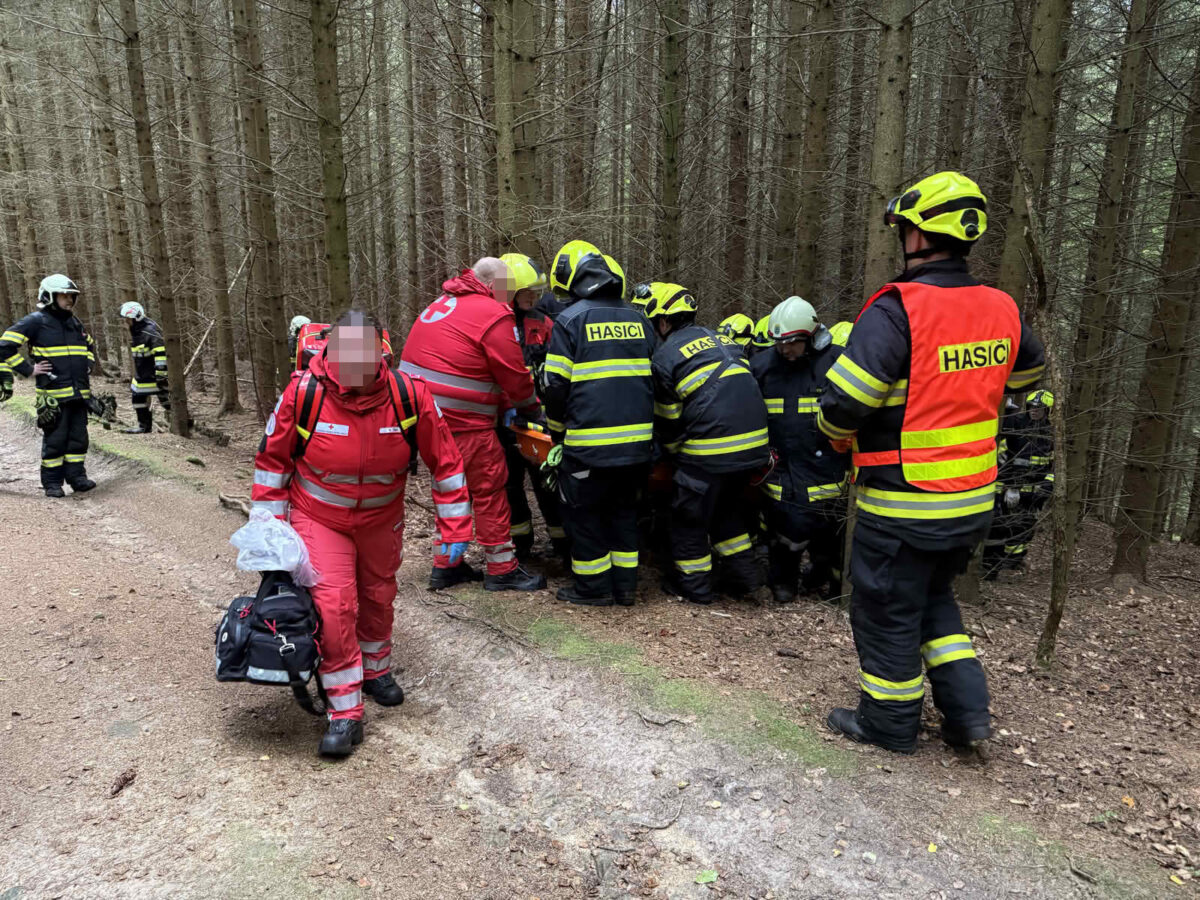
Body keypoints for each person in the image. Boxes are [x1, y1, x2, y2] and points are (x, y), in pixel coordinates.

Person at [818, 171, 1045, 754]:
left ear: (918, 236)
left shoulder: (898, 310)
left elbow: (845, 401)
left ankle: (888, 725)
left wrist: (834, 433)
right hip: (972, 498)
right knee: (935, 600)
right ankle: (969, 716)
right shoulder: (1002, 307)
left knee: (885, 610)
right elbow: (1025, 378)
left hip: (904, 501)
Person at [251, 310, 472, 757]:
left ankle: (376, 671)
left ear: (380, 355)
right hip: (320, 516)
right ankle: (344, 710)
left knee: (377, 594)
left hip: (381, 517)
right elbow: (273, 463)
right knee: (335, 605)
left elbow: (446, 463)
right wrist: (272, 540)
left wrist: (454, 528)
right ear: (330, 351)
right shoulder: (305, 392)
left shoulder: (409, 396)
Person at [400, 257, 547, 592]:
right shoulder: (492, 313)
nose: (510, 298)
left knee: (450, 489)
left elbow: (464, 360)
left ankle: (446, 564)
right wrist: (529, 409)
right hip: (464, 420)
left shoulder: (443, 303)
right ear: (494, 286)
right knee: (489, 487)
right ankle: (501, 567)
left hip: (425, 418)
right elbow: (512, 372)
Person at [542, 243, 656, 606]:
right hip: (638, 445)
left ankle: (593, 589)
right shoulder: (640, 319)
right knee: (624, 513)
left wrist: (557, 432)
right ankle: (625, 587)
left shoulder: (571, 320)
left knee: (584, 515)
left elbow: (555, 386)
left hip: (589, 445)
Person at [647, 283, 769, 604]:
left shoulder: (665, 355)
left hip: (713, 451)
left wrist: (671, 454)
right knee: (726, 511)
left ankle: (695, 588)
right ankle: (747, 579)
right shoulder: (724, 340)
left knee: (688, 516)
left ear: (662, 322)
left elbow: (669, 420)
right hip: (755, 448)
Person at [750, 296, 852, 604]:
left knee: (830, 538)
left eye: (792, 343)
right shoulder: (762, 366)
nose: (784, 349)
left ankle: (831, 585)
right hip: (781, 469)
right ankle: (784, 585)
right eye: (779, 343)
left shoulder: (837, 362)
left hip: (827, 468)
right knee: (783, 534)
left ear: (810, 336)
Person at [497, 252, 568, 561]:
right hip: (502, 422)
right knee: (508, 485)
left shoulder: (543, 322)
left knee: (547, 484)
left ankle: (564, 544)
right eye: (528, 291)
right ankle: (520, 546)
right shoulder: (494, 323)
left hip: (539, 419)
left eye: (536, 291)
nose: (534, 296)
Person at [0, 275, 98, 497]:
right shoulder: (35, 321)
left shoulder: (75, 323)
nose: (69, 300)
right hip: (53, 396)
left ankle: (77, 477)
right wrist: (28, 369)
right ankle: (52, 483)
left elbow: (90, 347)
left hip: (79, 394)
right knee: (55, 439)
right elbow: (4, 346)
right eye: (64, 295)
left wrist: (88, 366)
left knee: (78, 439)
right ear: (49, 296)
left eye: (71, 296)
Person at [983, 389, 1055, 577]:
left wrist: (1043, 493)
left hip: (1031, 493)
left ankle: (1011, 565)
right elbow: (1000, 442)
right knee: (996, 527)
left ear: (1048, 411)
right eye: (1032, 406)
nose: (1034, 410)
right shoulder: (1016, 422)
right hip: (1004, 486)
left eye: (1040, 408)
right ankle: (989, 569)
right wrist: (1006, 409)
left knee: (1022, 531)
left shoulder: (1051, 434)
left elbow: (1053, 468)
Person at [118, 301, 170, 434]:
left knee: (167, 402)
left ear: (136, 317)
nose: (126, 322)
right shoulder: (137, 331)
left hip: (153, 375)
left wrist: (161, 373)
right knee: (137, 398)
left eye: (128, 319)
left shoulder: (150, 332)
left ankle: (187, 425)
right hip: (142, 374)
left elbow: (160, 353)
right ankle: (144, 426)